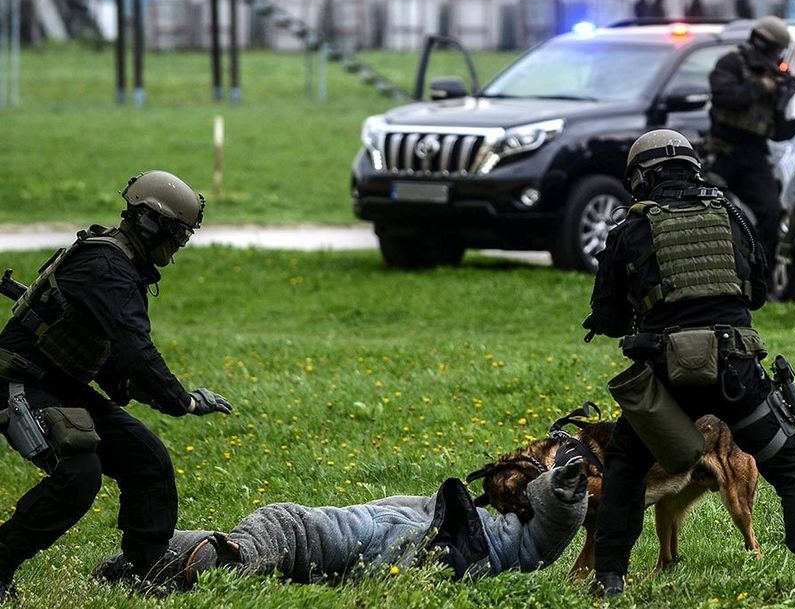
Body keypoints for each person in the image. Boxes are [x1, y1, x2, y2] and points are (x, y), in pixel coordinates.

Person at [582, 130, 795, 599]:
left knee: (626, 465)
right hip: (736, 373)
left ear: (641, 179)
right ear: (692, 169)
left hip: (666, 378)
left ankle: (609, 579)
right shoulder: (733, 217)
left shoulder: (629, 230)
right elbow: (757, 293)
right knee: (791, 466)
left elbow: (606, 318)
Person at [0, 171, 234, 602]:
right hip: (18, 382)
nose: (178, 247)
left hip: (59, 383)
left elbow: (111, 358)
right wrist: (182, 400)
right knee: (78, 475)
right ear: (152, 225)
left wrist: (140, 390)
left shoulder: (120, 264)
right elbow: (134, 352)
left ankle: (141, 570)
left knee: (147, 460)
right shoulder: (108, 268)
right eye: (178, 237)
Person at [95, 461, 589, 589]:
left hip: (399, 538)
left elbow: (556, 515)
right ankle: (190, 560)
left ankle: (217, 556)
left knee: (292, 527)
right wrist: (559, 483)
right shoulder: (512, 543)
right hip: (414, 540)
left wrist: (564, 481)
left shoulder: (507, 536)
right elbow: (552, 529)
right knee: (301, 539)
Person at [707, 16, 795, 280]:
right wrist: (763, 86)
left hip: (754, 156)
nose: (778, 56)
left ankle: (761, 280)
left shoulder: (775, 77)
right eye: (776, 50)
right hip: (722, 154)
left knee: (770, 214)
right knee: (711, 214)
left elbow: (777, 130)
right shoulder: (731, 63)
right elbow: (726, 97)